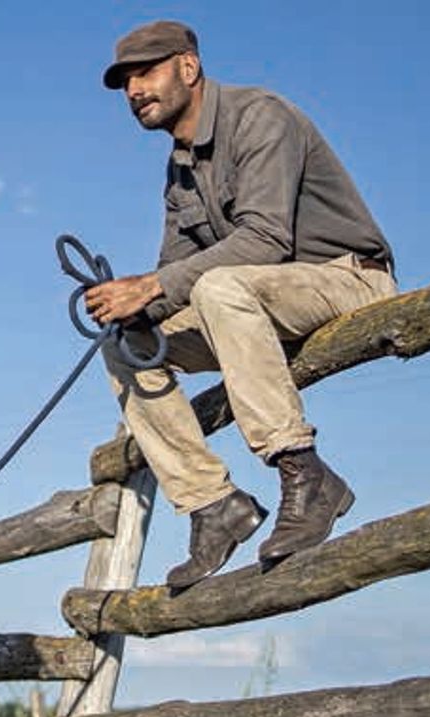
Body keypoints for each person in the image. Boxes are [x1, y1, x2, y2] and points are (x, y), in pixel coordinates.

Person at [85, 20, 396, 591]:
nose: (133, 91)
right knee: (125, 346)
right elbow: (174, 271)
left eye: (145, 73)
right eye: (126, 82)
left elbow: (265, 240)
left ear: (188, 67)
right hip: (252, 302)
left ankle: (305, 474)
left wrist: (152, 288)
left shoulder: (261, 117)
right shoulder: (179, 167)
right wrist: (133, 307)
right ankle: (213, 505)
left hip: (347, 279)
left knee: (218, 287)